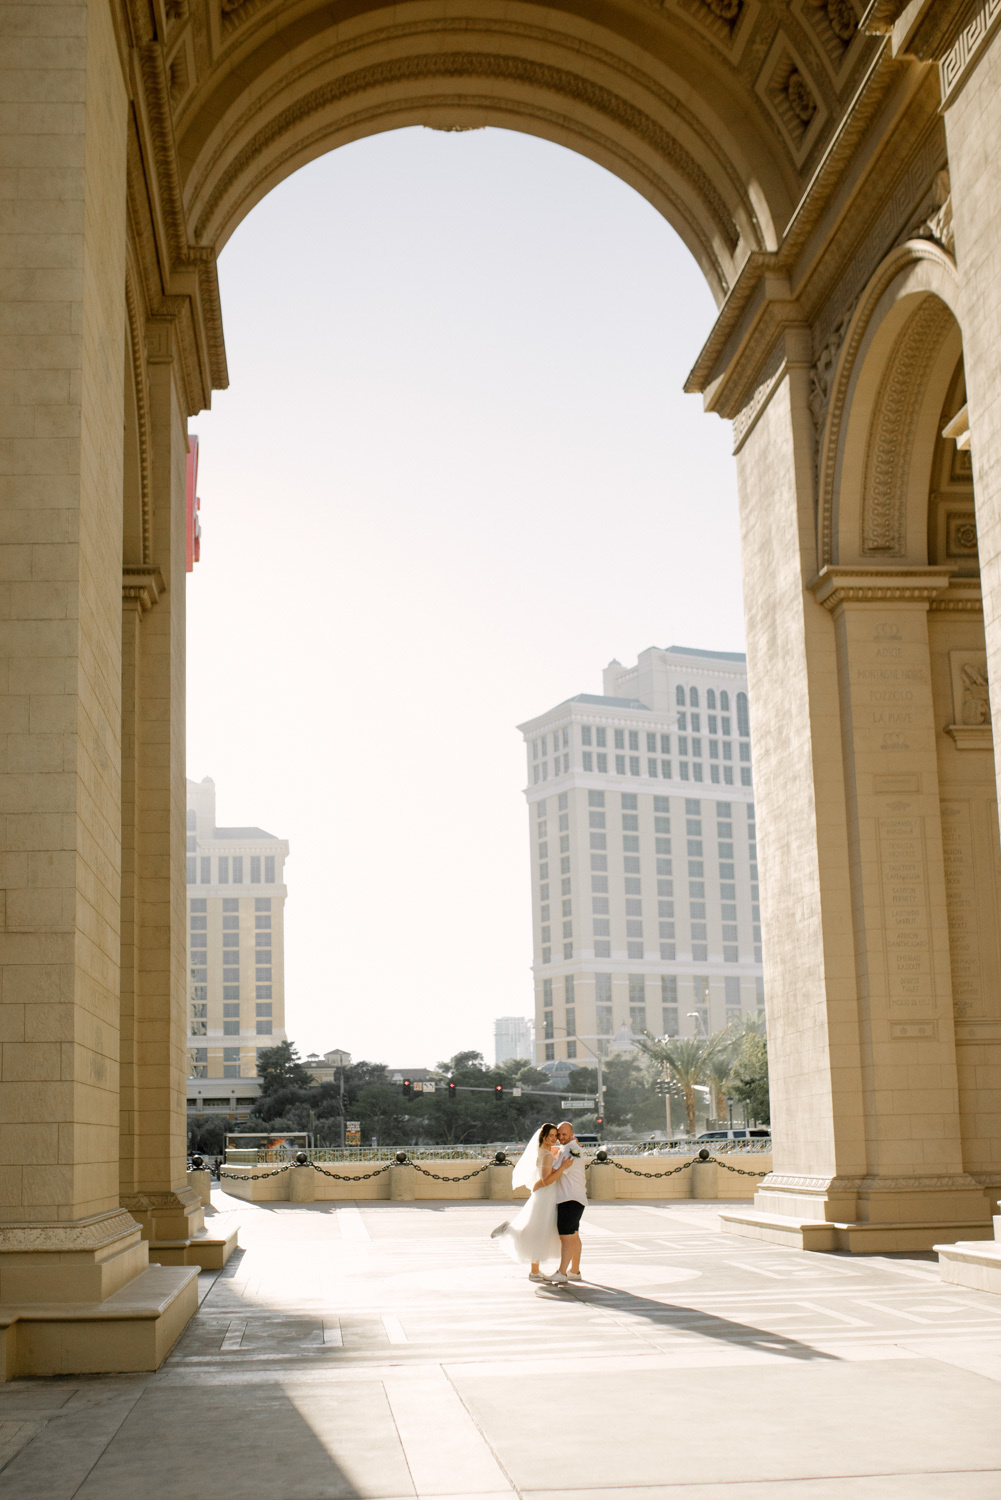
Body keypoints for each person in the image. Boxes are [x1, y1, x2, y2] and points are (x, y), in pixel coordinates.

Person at [490, 1122, 571, 1281]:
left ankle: (534, 1269)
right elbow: (546, 1180)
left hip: (544, 1193)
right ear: (544, 1137)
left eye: (556, 1135)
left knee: (537, 1230)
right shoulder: (546, 1154)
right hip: (546, 1194)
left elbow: (555, 1153)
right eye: (551, 1136)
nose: (554, 1139)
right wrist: (562, 1168)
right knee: (539, 1231)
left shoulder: (543, 1150)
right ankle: (509, 1231)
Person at [549, 1120, 587, 1286]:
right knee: (574, 1236)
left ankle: (562, 1272)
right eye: (559, 1134)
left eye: (564, 1134)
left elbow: (553, 1170)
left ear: (572, 1134)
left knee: (566, 1237)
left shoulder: (572, 1150)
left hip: (569, 1199)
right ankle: (574, 1271)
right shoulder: (569, 1149)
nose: (561, 1137)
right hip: (573, 1198)